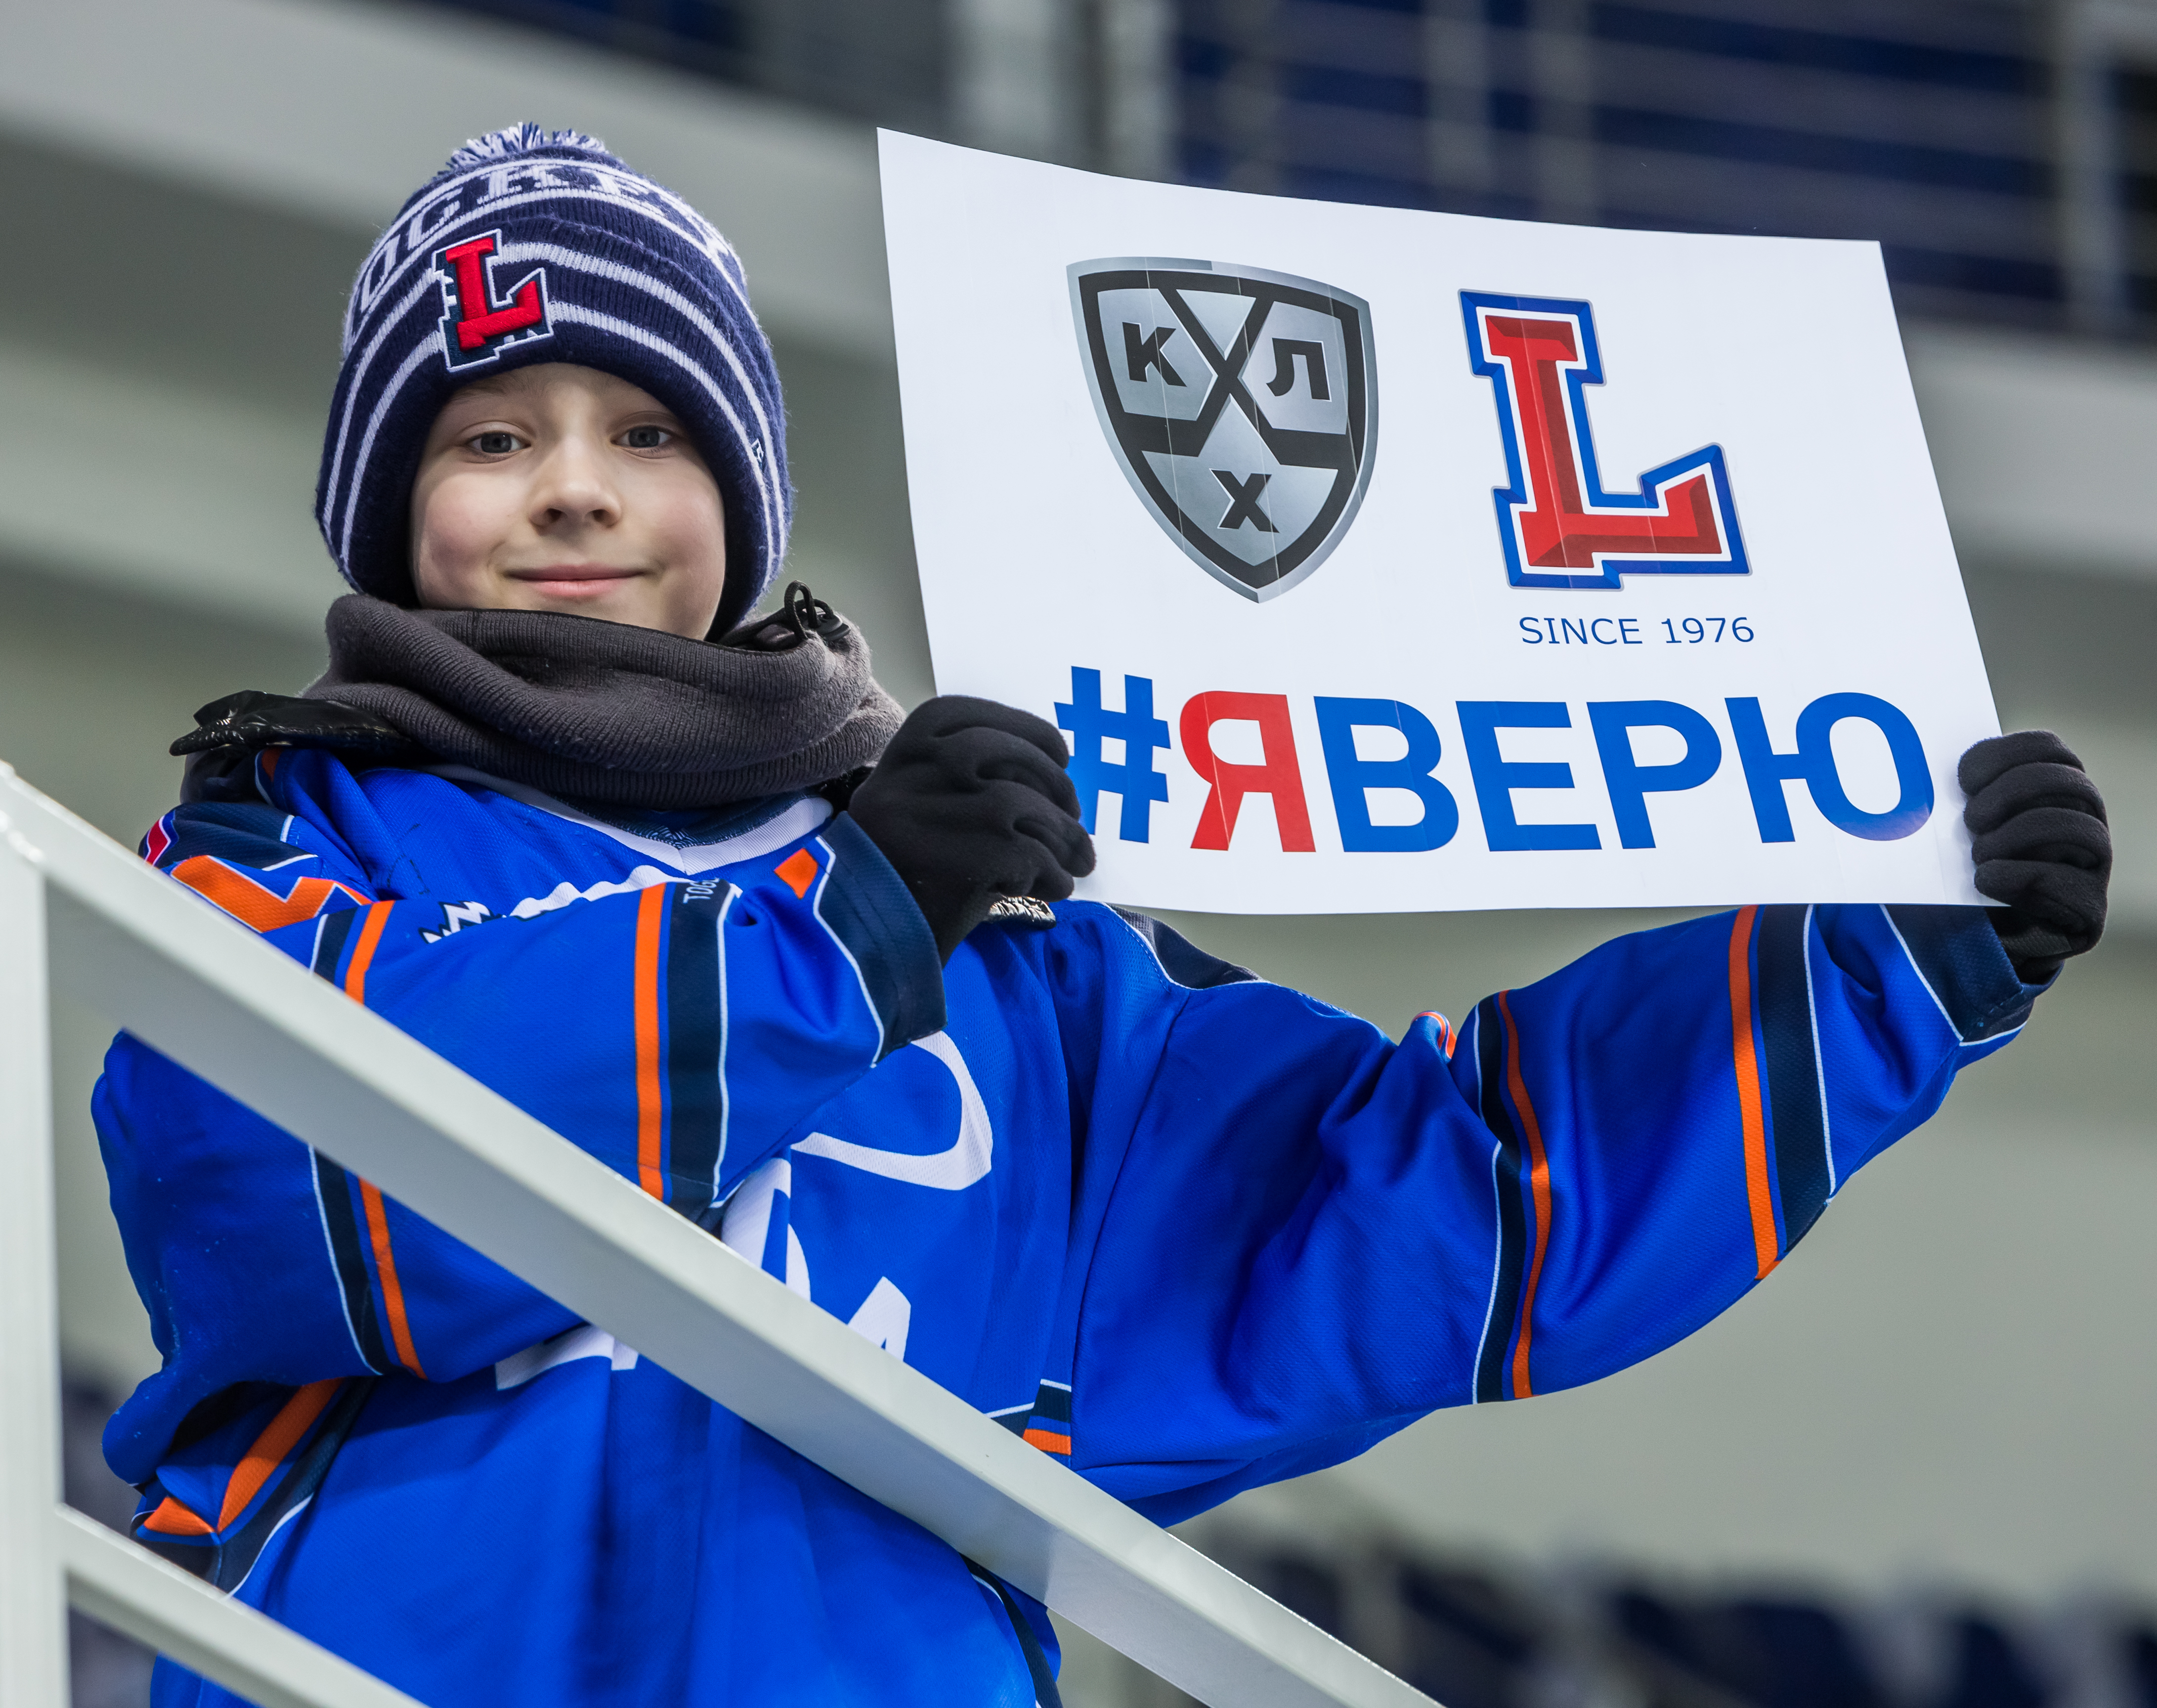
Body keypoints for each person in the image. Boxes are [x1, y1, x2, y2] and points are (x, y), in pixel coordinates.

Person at [97, 127, 2110, 1708]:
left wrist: (1887, 969)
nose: (573, 493)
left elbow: (1427, 1203)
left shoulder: (1020, 957)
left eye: (646, 430)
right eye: (487, 436)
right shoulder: (274, 849)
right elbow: (301, 1175)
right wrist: (844, 928)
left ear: (738, 498)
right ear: (389, 510)